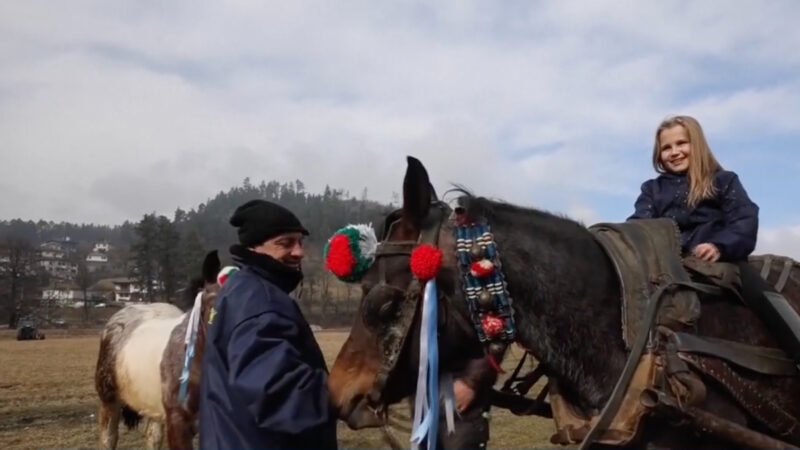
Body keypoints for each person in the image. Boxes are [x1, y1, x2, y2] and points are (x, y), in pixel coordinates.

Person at [629, 115, 800, 365]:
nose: (674, 152)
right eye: (666, 147)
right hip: (671, 264)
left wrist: (720, 245)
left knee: (761, 294)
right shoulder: (652, 189)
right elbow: (639, 224)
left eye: (681, 143)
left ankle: (796, 347)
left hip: (719, 259)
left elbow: (744, 218)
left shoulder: (723, 181)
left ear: (696, 145)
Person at [198, 199, 337, 450]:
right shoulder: (259, 301)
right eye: (285, 243)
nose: (299, 252)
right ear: (254, 247)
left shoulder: (239, 288)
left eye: (300, 242)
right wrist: (342, 393)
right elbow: (279, 394)